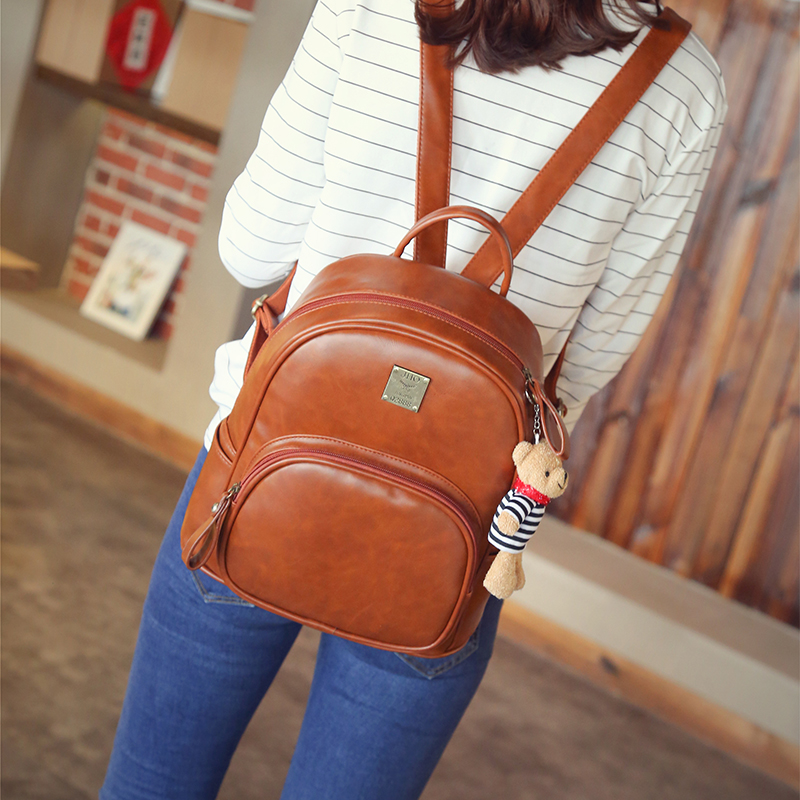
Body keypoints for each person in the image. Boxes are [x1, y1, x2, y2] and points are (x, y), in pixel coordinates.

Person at [100, 1, 726, 798]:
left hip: (258, 473)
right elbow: (587, 361)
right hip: (458, 527)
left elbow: (249, 249)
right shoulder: (684, 80)